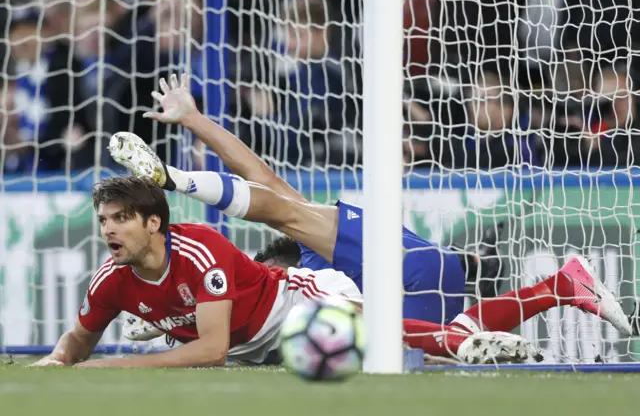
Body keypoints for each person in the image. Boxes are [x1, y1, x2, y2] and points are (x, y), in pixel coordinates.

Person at [26, 175, 593, 368]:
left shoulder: (300, 236)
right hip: (397, 280)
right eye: (105, 220)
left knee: (377, 335)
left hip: (306, 300)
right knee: (386, 337)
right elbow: (78, 336)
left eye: (121, 218)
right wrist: (61, 359)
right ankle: (532, 299)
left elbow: (267, 190)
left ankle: (465, 339)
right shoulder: (115, 276)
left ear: (154, 223)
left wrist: (181, 166)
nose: (108, 230)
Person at [111, 74, 507, 329]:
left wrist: (194, 128)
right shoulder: (318, 251)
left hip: (416, 278)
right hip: (429, 273)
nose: (262, 283)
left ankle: (178, 178)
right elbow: (260, 175)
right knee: (429, 347)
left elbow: (260, 181)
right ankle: (492, 278)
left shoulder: (311, 260)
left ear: (281, 265)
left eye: (264, 274)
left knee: (402, 354)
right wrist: (194, 121)